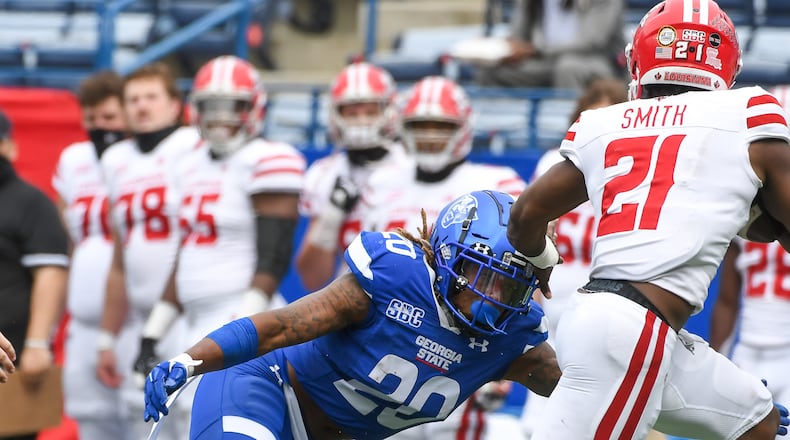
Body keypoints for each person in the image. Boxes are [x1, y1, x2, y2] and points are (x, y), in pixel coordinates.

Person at [506, 0, 790, 438]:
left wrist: (542, 261)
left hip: (619, 322)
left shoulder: (603, 122)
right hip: (636, 329)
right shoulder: (749, 113)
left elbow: (525, 214)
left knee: (762, 424)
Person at [142, 189, 561, 440]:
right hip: (267, 388)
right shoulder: (395, 279)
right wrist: (190, 360)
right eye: (482, 276)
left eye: (510, 286)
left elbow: (589, 395)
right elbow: (280, 327)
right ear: (449, 255)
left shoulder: (514, 338)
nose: (493, 298)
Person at [361, 75, 528, 440]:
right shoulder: (381, 182)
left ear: (464, 127)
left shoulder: (498, 183)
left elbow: (517, 283)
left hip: (462, 342)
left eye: (441, 125)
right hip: (388, 338)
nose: (430, 135)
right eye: (420, 125)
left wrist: (499, 362)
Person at [131, 55, 306, 395]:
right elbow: (187, 254)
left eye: (232, 106)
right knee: (174, 417)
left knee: (207, 411)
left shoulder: (268, 158)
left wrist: (242, 328)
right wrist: (152, 333)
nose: (220, 117)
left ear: (254, 107)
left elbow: (275, 256)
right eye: (211, 106)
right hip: (191, 319)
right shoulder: (188, 162)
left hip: (238, 311)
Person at [95, 62, 200, 440]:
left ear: (175, 104)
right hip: (140, 318)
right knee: (140, 425)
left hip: (190, 313)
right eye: (133, 99)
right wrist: (108, 335)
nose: (141, 107)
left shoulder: (193, 146)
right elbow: (120, 257)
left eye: (151, 97)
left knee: (192, 419)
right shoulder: (115, 159)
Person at [518, 76, 628, 438]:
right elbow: (529, 238)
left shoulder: (634, 174)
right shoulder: (555, 162)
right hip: (552, 309)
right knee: (541, 419)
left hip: (606, 311)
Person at [51, 70, 130, 440]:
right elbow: (65, 242)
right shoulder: (74, 159)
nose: (101, 127)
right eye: (92, 118)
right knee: (91, 424)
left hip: (136, 320)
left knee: (146, 420)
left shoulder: (149, 159)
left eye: (110, 117)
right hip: (83, 319)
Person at [295, 61, 411, 291]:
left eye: (370, 112)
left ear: (390, 112)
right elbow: (312, 279)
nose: (361, 121)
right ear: (335, 115)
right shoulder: (325, 173)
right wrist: (331, 217)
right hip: (352, 300)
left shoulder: (412, 166)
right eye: (352, 113)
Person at [0, 109, 69, 440]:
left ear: (9, 147)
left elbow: (51, 274)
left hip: (11, 355)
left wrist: (39, 343)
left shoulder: (30, 202)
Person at [475, 0, 625, 90]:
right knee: (489, 69)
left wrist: (535, 50)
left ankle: (568, 129)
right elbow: (518, 38)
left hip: (597, 62)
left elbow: (592, 41)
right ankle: (500, 131)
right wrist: (501, 50)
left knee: (568, 67)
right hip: (543, 62)